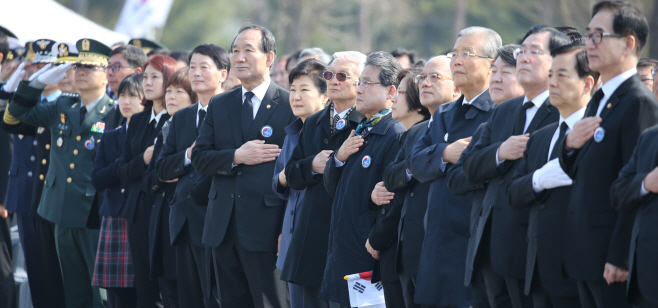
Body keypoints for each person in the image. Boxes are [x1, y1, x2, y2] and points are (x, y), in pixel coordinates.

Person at [462, 25, 569, 308]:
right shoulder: (506, 109)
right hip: (493, 245)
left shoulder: (564, 111)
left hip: (538, 248)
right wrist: (500, 152)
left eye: (535, 51)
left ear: (559, 61)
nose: (524, 57)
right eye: (523, 51)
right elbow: (470, 166)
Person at [559, 2, 658, 307]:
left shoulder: (637, 102)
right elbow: (580, 169)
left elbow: (634, 183)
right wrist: (569, 147)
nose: (589, 43)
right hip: (585, 250)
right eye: (588, 34)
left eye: (599, 35)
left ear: (629, 43)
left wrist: (621, 255)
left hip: (610, 259)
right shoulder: (601, 97)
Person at [192, 24, 296, 308]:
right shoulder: (220, 103)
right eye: (235, 51)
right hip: (222, 226)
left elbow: (295, 170)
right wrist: (236, 156)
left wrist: (286, 231)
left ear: (269, 57)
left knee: (271, 302)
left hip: (267, 226)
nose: (239, 57)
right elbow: (200, 157)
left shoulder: (289, 104)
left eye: (248, 50)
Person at [8, 38, 116, 308]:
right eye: (78, 66)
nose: (80, 72)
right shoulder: (63, 107)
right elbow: (14, 114)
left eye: (89, 68)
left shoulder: (113, 113)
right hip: (60, 208)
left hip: (93, 213)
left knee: (99, 291)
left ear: (106, 75)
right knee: (72, 287)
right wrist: (37, 83)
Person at [408, 26, 501, 308]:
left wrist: (439, 159)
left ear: (491, 64)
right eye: (455, 54)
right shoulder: (446, 113)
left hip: (472, 244)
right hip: (436, 241)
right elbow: (415, 162)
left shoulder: (498, 112)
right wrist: (446, 153)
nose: (457, 60)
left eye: (467, 54)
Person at [507, 43, 596, 308]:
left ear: (587, 83)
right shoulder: (541, 136)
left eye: (562, 75)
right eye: (550, 76)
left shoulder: (598, 131)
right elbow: (513, 192)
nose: (552, 83)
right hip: (538, 271)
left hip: (581, 270)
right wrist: (540, 179)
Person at [281, 51, 366, 308]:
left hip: (345, 235)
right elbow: (292, 174)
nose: (334, 80)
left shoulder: (365, 122)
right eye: (330, 75)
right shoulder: (315, 120)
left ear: (360, 82)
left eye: (342, 76)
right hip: (311, 238)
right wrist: (313, 165)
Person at [321, 51, 405, 308]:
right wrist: (338, 159)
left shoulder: (393, 133)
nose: (359, 89)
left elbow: (390, 198)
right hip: (342, 251)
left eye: (367, 82)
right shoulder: (359, 129)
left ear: (391, 92)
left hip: (367, 256)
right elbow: (334, 190)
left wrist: (375, 240)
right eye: (359, 82)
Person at [445, 44, 524, 308]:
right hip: (483, 246)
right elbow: (457, 178)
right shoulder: (488, 125)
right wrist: (497, 157)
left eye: (506, 72)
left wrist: (483, 164)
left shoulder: (542, 120)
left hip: (520, 248)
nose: (497, 78)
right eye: (495, 71)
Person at [157, 44, 229, 308]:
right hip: (183, 221)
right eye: (192, 67)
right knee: (187, 299)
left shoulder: (234, 112)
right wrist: (188, 155)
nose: (196, 73)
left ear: (223, 74)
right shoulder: (181, 118)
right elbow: (162, 168)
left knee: (217, 298)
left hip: (218, 219)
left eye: (204, 67)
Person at [2, 38, 63, 308]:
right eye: (32, 64)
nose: (33, 70)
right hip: (25, 193)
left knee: (57, 277)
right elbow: (8, 117)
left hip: (54, 199)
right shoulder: (30, 102)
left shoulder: (65, 105)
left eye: (41, 65)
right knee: (37, 275)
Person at [117, 54, 174, 308]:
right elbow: (124, 168)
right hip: (138, 208)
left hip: (165, 209)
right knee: (144, 284)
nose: (147, 82)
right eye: (145, 76)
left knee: (167, 283)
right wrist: (144, 159)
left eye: (155, 76)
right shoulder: (139, 119)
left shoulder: (176, 119)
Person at [370, 67, 430, 308]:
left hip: (406, 250)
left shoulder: (421, 134)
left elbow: (401, 198)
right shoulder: (406, 135)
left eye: (401, 92)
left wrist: (377, 238)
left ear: (417, 103)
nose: (393, 98)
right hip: (397, 255)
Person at [272, 59, 329, 308]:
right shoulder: (292, 133)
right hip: (291, 240)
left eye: (304, 90)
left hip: (318, 243)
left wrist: (293, 173)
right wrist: (289, 174)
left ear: (325, 97)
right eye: (292, 89)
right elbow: (278, 183)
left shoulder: (330, 133)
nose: (295, 96)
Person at [144, 68, 197, 308]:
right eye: (169, 91)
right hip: (165, 216)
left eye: (179, 92)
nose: (171, 97)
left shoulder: (201, 126)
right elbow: (150, 179)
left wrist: (172, 170)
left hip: (192, 218)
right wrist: (171, 173)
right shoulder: (164, 128)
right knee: (169, 291)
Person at [91, 73, 144, 308]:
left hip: (139, 216)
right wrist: (125, 160)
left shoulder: (153, 134)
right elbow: (98, 179)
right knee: (114, 293)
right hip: (113, 215)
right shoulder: (112, 135)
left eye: (133, 95)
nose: (126, 101)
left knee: (139, 292)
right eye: (122, 95)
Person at [106, 45, 147, 128]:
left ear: (137, 72)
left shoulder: (145, 113)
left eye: (116, 67)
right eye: (109, 66)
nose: (110, 72)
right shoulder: (111, 111)